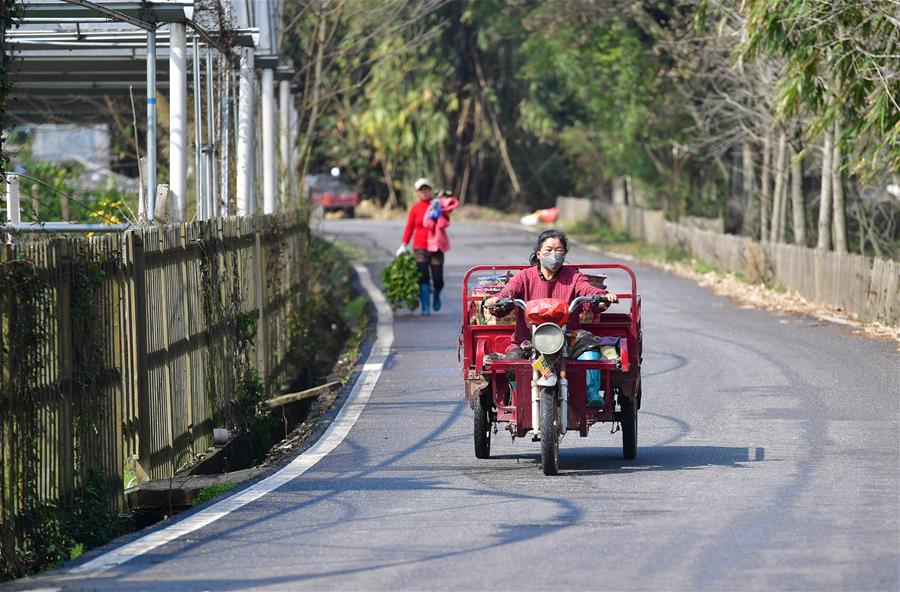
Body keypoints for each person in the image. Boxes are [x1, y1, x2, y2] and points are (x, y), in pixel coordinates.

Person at [485, 229, 617, 358]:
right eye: (548, 250)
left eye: (558, 250)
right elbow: (507, 293)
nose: (554, 254)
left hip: (569, 339)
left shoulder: (575, 277)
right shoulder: (523, 277)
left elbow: (587, 290)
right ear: (538, 254)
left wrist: (602, 297)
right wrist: (496, 301)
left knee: (591, 355)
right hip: (528, 341)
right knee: (513, 364)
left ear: (564, 254)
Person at [397, 177, 459, 315]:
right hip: (420, 248)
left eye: (426, 189)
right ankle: (425, 307)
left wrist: (438, 211)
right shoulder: (415, 209)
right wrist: (404, 244)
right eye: (421, 190)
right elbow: (409, 227)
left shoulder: (438, 205)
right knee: (423, 277)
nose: (424, 192)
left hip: (436, 247)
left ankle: (436, 295)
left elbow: (446, 221)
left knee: (438, 280)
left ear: (431, 190)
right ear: (417, 192)